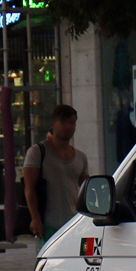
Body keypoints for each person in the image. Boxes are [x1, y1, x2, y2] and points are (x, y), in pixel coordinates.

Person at [24, 104, 89, 244]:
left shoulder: (81, 157)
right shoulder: (37, 152)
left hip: (74, 222)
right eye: (63, 122)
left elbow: (85, 189)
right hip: (48, 223)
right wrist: (35, 218)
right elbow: (29, 187)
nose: (68, 127)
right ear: (53, 124)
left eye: (72, 123)